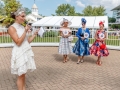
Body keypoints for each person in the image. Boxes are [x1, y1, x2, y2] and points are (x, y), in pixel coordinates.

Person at [8, 8, 38, 90]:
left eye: (24, 16)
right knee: (20, 75)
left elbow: (27, 41)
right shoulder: (12, 28)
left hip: (25, 51)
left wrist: (34, 34)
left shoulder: (22, 27)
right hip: (19, 52)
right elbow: (18, 42)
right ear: (16, 17)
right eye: (22, 16)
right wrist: (25, 31)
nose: (24, 18)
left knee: (23, 74)